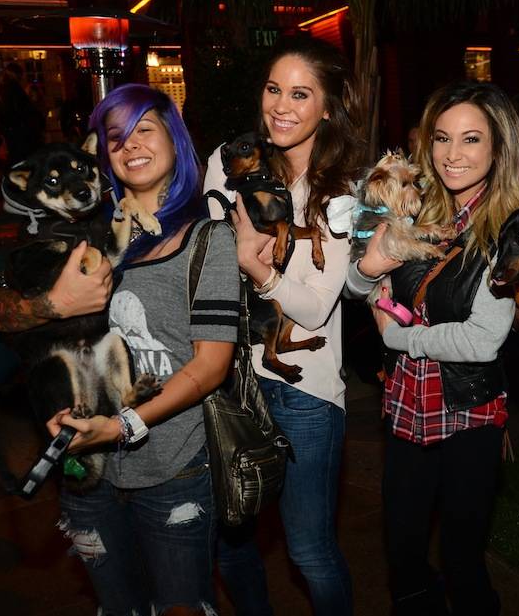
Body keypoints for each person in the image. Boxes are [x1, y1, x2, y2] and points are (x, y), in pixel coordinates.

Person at [0, 84, 238, 616]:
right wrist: (51, 304)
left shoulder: (207, 236)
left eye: (145, 128)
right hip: (85, 465)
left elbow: (212, 366)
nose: (130, 144)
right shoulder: (80, 230)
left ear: (175, 139)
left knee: (181, 607)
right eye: (116, 135)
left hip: (171, 466)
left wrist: (122, 426)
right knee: (117, 607)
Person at [346, 80, 519, 615]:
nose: (453, 154)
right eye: (442, 138)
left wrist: (397, 337)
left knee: (462, 558)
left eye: (471, 139)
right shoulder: (415, 205)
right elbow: (356, 284)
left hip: (468, 410)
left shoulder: (508, 228)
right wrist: (367, 272)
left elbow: (481, 339)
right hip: (406, 403)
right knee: (403, 552)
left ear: (498, 148)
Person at [203, 36, 364, 616]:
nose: (281, 106)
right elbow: (208, 265)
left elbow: (316, 309)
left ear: (328, 108)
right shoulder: (229, 161)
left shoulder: (343, 192)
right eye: (274, 89)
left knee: (309, 551)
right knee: (229, 542)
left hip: (306, 393)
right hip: (230, 380)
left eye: (300, 94)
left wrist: (257, 268)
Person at [0, 61, 45, 165]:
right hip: (22, 133)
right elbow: (24, 111)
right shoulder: (15, 89)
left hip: (12, 133)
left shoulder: (1, 90)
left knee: (17, 159)